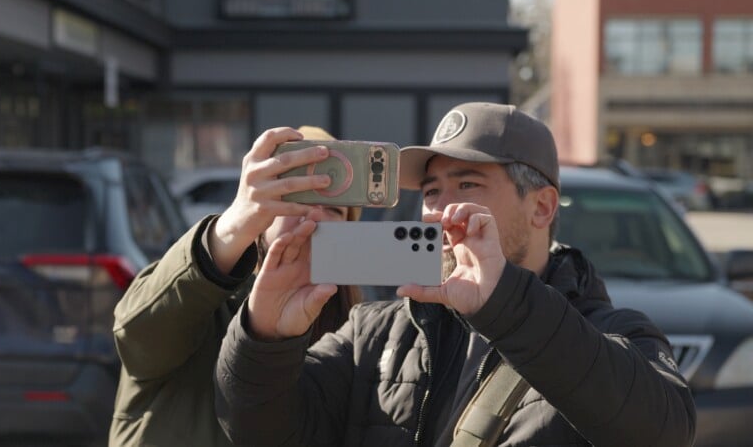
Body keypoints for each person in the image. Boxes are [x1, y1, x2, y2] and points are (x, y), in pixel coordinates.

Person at [214, 102, 697, 446]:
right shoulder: (372, 332)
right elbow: (263, 430)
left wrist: (507, 303)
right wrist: (264, 337)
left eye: (467, 184)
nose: (438, 211)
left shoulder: (611, 332)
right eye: (430, 190)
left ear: (542, 207)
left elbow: (665, 429)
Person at [108, 126, 362, 447]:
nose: (314, 217)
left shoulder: (356, 335)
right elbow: (135, 334)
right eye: (297, 198)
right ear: (260, 213)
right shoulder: (203, 301)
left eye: (334, 209)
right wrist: (229, 229)